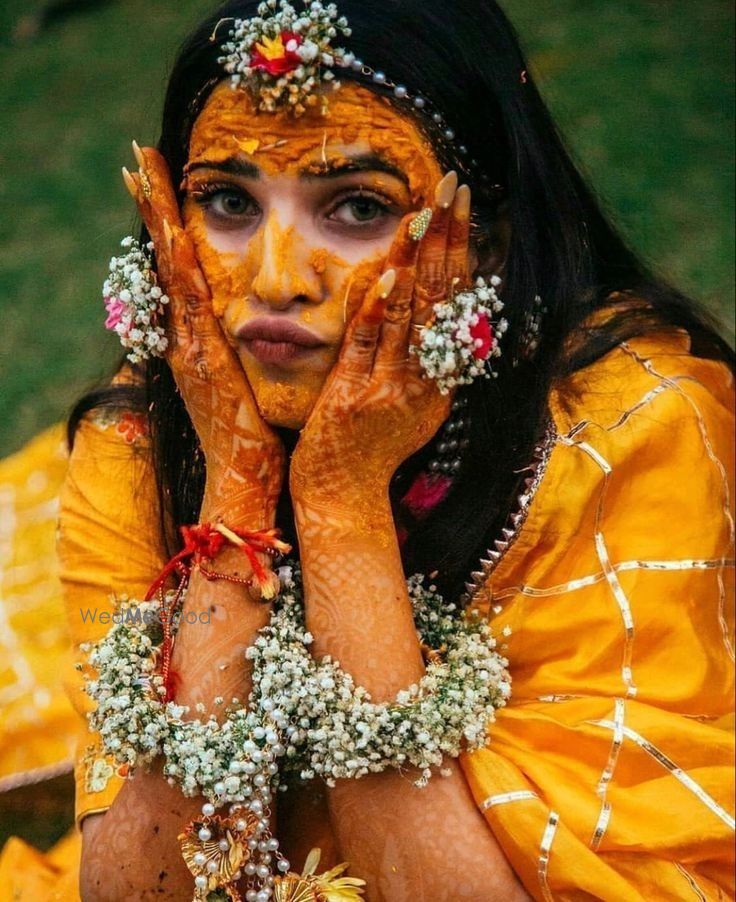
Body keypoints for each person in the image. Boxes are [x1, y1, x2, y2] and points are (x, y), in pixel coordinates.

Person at [3, 0, 734, 898]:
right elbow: (134, 889)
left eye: (356, 207)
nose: (276, 278)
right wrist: (236, 492)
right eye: (227, 202)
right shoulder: (143, 437)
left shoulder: (624, 432)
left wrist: (341, 506)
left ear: (487, 241)